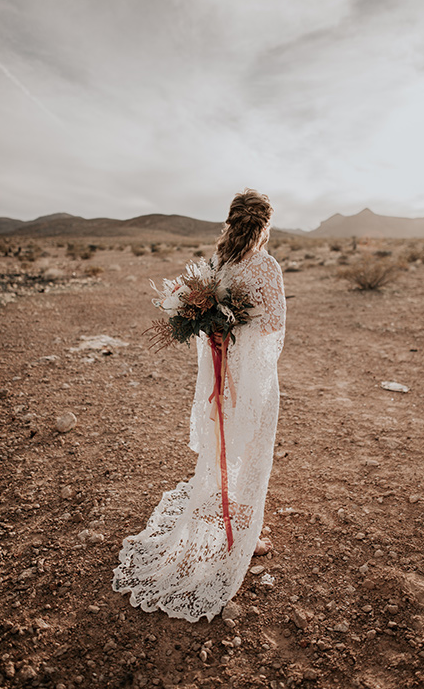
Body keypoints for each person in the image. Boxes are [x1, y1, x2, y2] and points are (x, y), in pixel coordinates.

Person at [112, 188, 286, 622]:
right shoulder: (265, 265)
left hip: (220, 371)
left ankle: (230, 519)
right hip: (248, 372)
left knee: (225, 441)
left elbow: (207, 319)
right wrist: (239, 330)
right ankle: (241, 535)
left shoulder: (218, 265)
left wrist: (222, 332)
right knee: (250, 445)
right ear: (264, 225)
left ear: (232, 222)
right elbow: (276, 325)